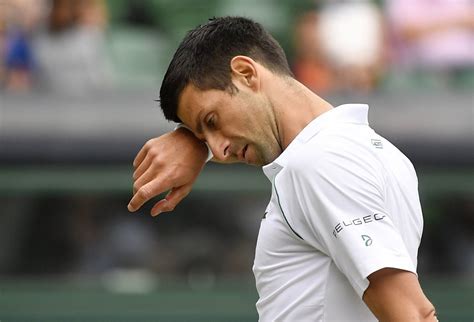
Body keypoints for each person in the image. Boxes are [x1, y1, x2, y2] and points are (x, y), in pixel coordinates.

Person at [128, 17, 437, 321]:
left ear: (246, 73)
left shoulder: (317, 163)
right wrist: (198, 143)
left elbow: (414, 315)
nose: (218, 147)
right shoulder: (371, 150)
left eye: (211, 121)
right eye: (204, 135)